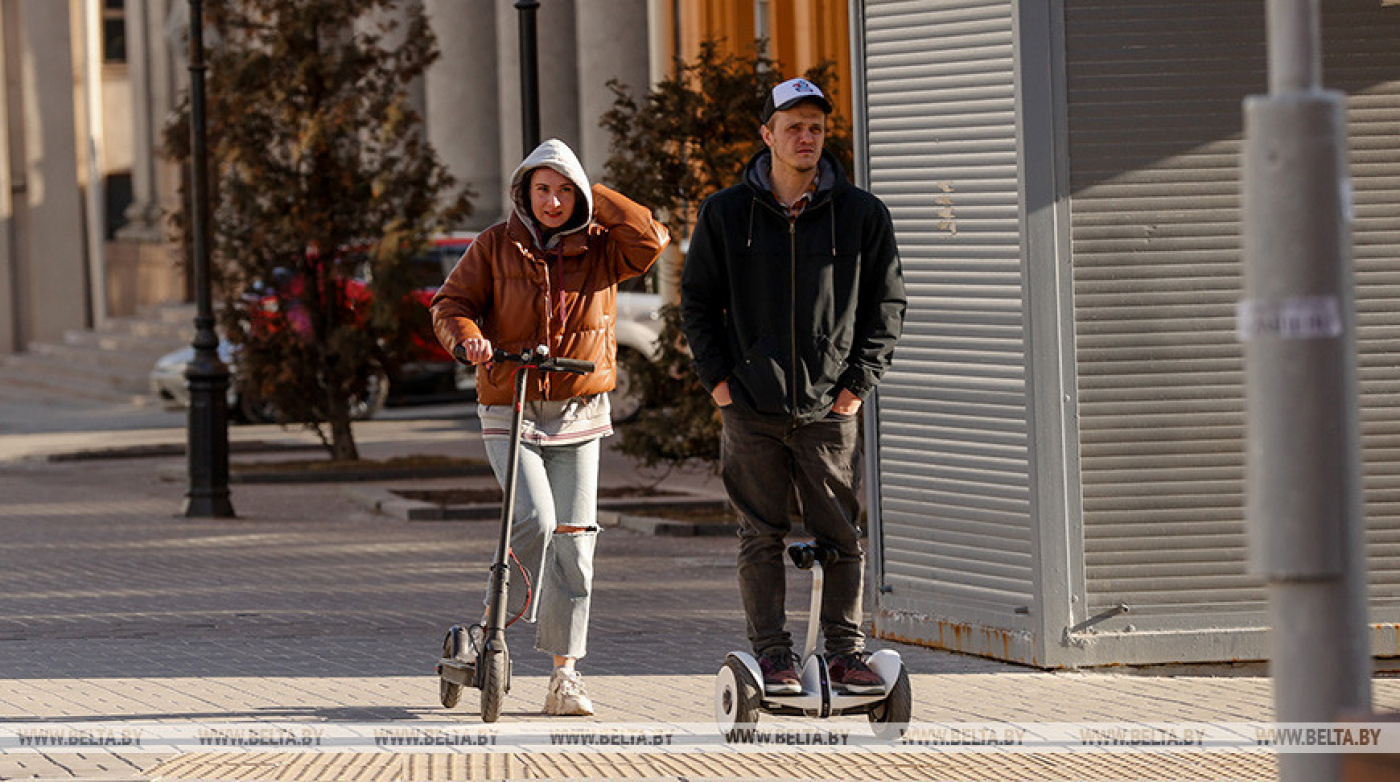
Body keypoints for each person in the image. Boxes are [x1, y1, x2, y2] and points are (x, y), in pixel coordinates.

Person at [680, 78, 906, 696]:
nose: (806, 137)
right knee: (761, 536)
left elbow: (887, 307)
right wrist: (720, 384)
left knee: (841, 536)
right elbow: (697, 304)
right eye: (793, 127)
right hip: (749, 407)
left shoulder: (861, 214)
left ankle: (843, 653)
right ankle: (774, 656)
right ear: (767, 135)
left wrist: (856, 386)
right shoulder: (726, 213)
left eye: (816, 127)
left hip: (830, 407)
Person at [431, 139, 669, 715]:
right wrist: (469, 339)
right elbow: (450, 304)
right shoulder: (494, 244)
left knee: (575, 543)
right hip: (509, 403)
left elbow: (652, 239)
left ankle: (565, 676)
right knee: (535, 522)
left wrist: (594, 193)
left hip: (581, 412)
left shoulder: (603, 248)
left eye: (565, 190)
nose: (554, 201)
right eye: (544, 189)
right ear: (524, 192)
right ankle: (494, 628)